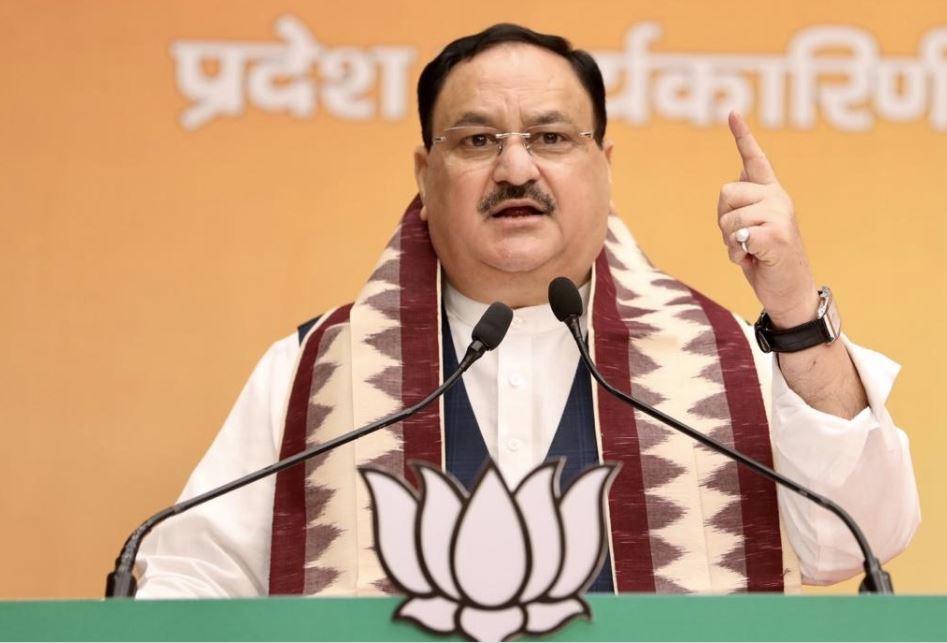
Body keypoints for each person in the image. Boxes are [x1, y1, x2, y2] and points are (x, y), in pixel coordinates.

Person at [136, 24, 919, 597]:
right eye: (477, 141)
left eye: (549, 136)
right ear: (425, 173)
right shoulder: (315, 369)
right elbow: (188, 575)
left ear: (603, 167)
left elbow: (857, 539)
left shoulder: (721, 360)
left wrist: (794, 311)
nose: (515, 167)